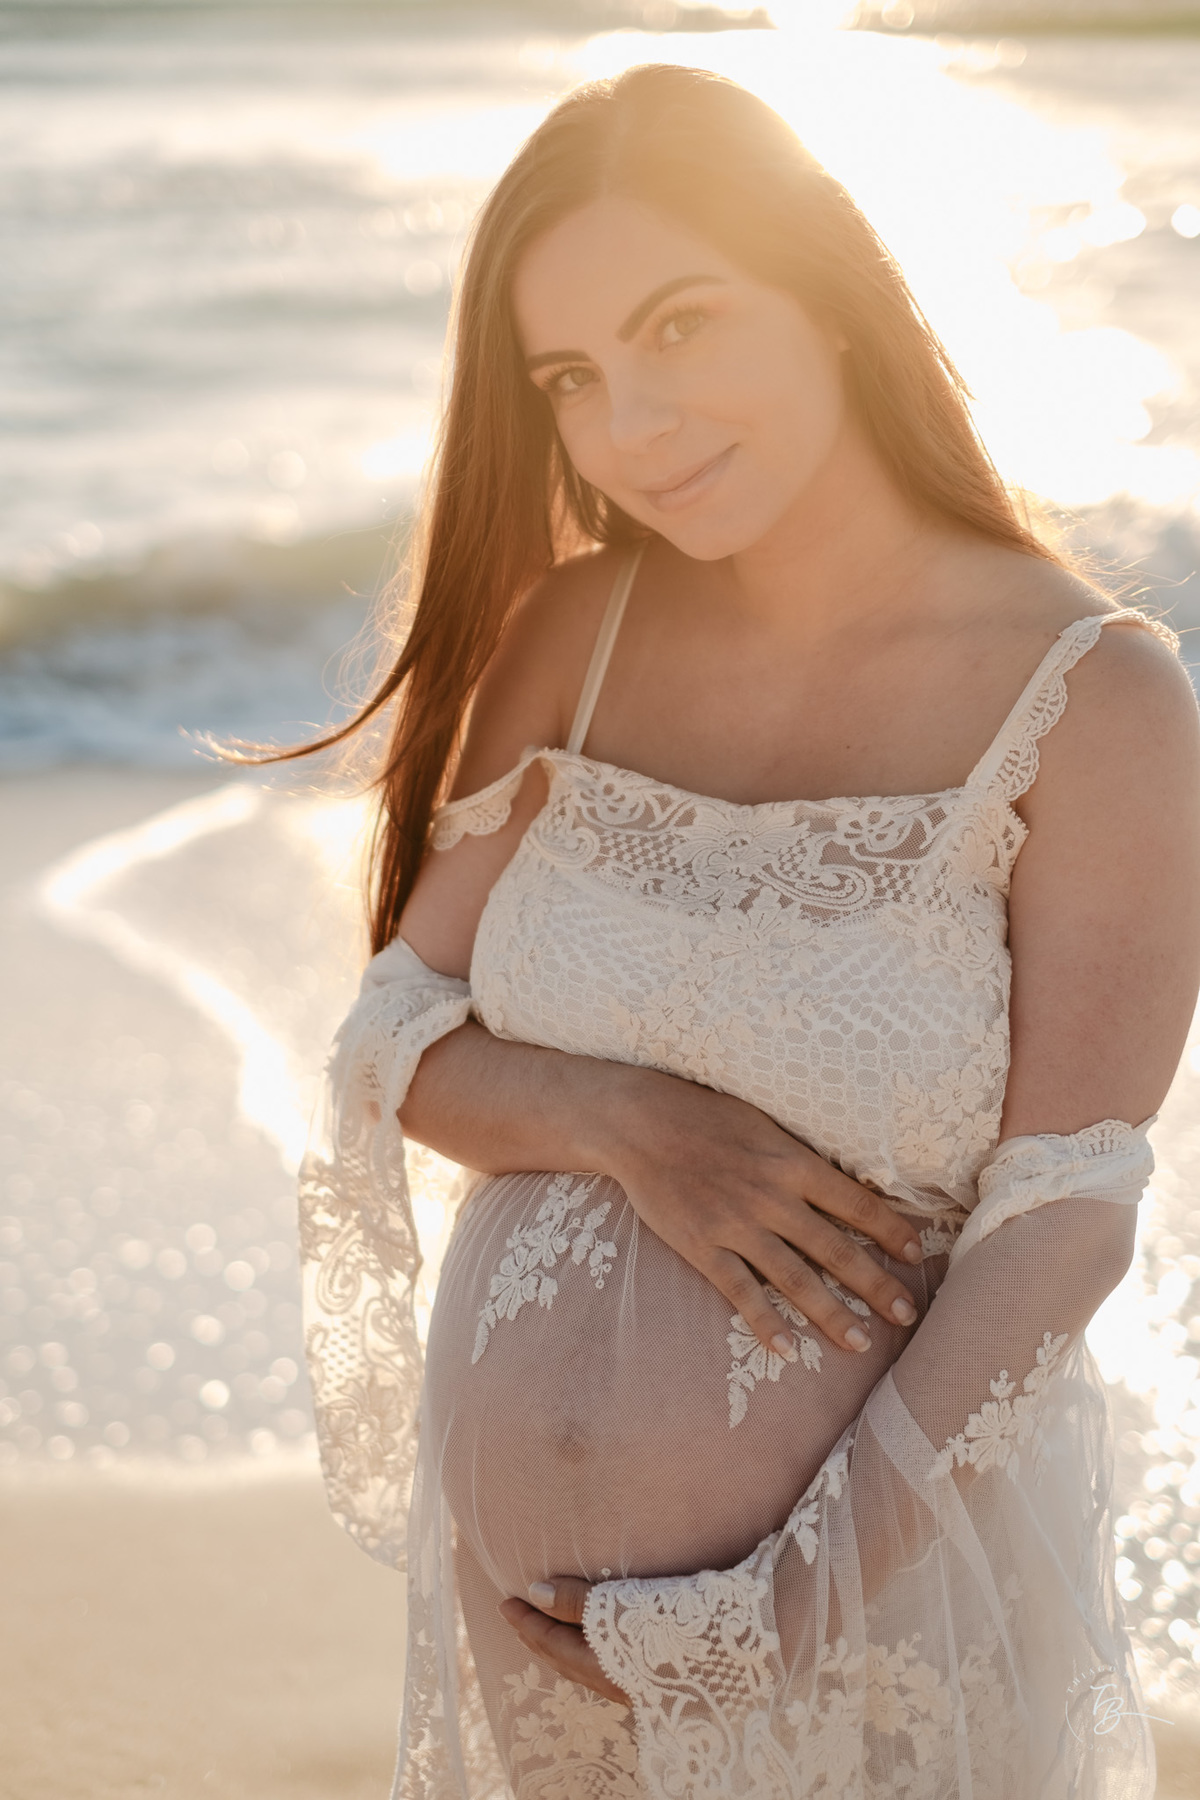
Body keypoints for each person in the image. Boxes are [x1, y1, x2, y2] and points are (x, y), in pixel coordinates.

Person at [291, 65, 1200, 1799]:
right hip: (530, 1642)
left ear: (834, 303)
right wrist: (633, 1126)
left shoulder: (1097, 701)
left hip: (872, 1623)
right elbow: (399, 1031)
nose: (632, 424)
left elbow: (1066, 1212)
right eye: (573, 377)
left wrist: (782, 1603)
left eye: (683, 325)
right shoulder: (580, 634)